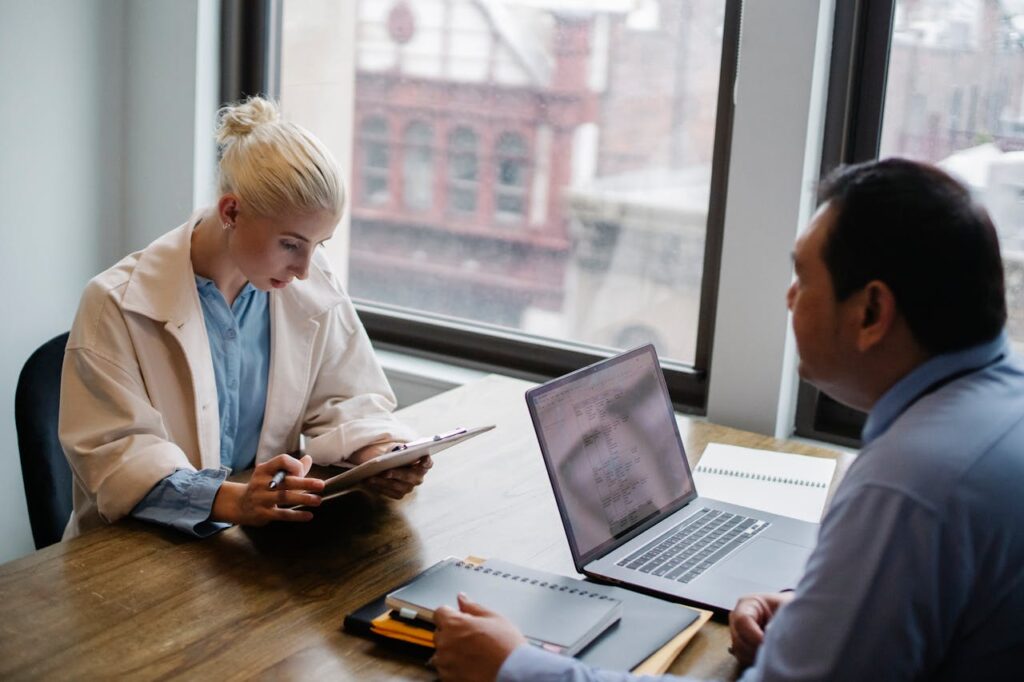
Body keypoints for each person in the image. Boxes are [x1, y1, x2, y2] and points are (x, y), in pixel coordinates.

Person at [431, 158, 1024, 681]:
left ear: (871, 311)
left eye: (803, 277)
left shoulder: (911, 485)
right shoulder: (996, 414)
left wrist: (517, 669)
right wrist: (818, 611)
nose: (790, 299)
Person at [59, 97, 429, 539]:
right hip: (130, 558)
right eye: (291, 244)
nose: (305, 269)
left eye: (320, 244)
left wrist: (379, 452)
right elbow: (119, 459)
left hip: (255, 546)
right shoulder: (114, 304)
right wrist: (234, 501)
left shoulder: (301, 283)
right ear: (231, 211)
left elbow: (346, 396)